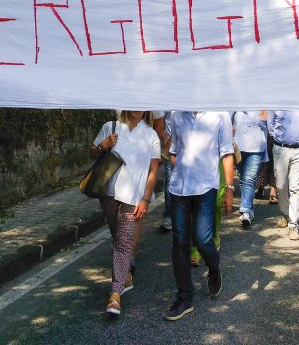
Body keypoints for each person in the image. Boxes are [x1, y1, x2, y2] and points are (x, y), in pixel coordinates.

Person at [164, 111, 235, 322]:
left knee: (203, 239)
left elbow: (227, 152)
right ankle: (184, 298)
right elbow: (174, 150)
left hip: (205, 186)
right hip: (179, 188)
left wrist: (229, 188)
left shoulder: (220, 115)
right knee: (179, 242)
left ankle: (213, 266)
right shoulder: (177, 116)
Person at [91, 110, 160, 316]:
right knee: (118, 238)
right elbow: (91, 152)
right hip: (108, 193)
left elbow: (153, 171)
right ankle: (126, 269)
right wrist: (103, 145)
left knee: (123, 242)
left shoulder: (151, 135)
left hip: (133, 197)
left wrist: (146, 199)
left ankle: (115, 294)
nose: (138, 108)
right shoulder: (110, 126)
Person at [268, 111, 299, 240]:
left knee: (295, 187)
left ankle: (293, 225)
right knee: (281, 185)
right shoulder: (277, 104)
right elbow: (270, 125)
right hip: (280, 148)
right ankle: (285, 213)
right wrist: (277, 138)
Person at [233, 111, 268, 228]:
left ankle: (245, 211)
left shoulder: (261, 105)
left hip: (256, 147)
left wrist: (261, 117)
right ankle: (249, 208)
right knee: (243, 179)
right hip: (238, 147)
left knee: (250, 178)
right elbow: (226, 121)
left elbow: (268, 125)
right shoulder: (234, 104)